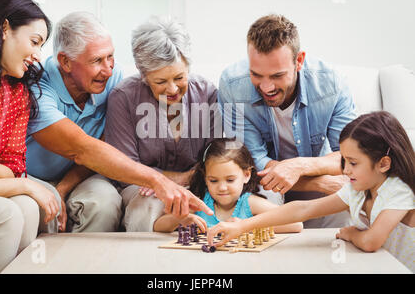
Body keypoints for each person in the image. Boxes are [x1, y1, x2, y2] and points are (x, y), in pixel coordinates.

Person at [26, 12, 212, 233]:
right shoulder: (37, 87)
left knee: (102, 203)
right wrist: (157, 180)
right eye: (97, 60)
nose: (108, 69)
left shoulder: (110, 79)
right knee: (48, 209)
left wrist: (65, 187)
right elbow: (82, 149)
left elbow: (103, 144)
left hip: (82, 172)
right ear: (65, 62)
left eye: (110, 56)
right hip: (34, 175)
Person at [208, 111, 415, 272]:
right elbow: (303, 209)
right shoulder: (359, 189)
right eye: (343, 161)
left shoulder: (399, 190)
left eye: (353, 162)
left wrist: (352, 233)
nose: (345, 170)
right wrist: (243, 226)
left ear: (384, 163)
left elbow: (370, 242)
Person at [218, 14, 356, 228]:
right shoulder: (232, 85)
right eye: (256, 75)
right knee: (267, 197)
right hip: (266, 183)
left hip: (316, 170)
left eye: (277, 76)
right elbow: (252, 162)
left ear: (298, 61)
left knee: (345, 202)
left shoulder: (331, 84)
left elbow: (351, 156)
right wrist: (319, 182)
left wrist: (301, 166)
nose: (266, 87)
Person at [0, 0, 59, 273]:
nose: (37, 55)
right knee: (4, 215)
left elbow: (12, 172)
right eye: (34, 42)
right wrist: (21, 184)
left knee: (28, 208)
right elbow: (13, 180)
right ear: (3, 29)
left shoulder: (17, 94)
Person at [105, 16, 220, 231]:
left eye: (179, 77)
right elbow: (127, 168)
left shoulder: (207, 92)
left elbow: (216, 156)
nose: (173, 89)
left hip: (200, 183)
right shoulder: (123, 97)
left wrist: (192, 180)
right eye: (160, 82)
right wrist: (177, 178)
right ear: (144, 75)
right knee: (147, 204)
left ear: (188, 67)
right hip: (143, 187)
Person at [153, 138, 303, 233]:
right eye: (213, 180)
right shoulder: (198, 203)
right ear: (205, 177)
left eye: (230, 180)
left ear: (246, 175)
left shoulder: (249, 203)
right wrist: (180, 219)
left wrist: (247, 225)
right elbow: (158, 226)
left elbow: (296, 224)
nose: (222, 187)